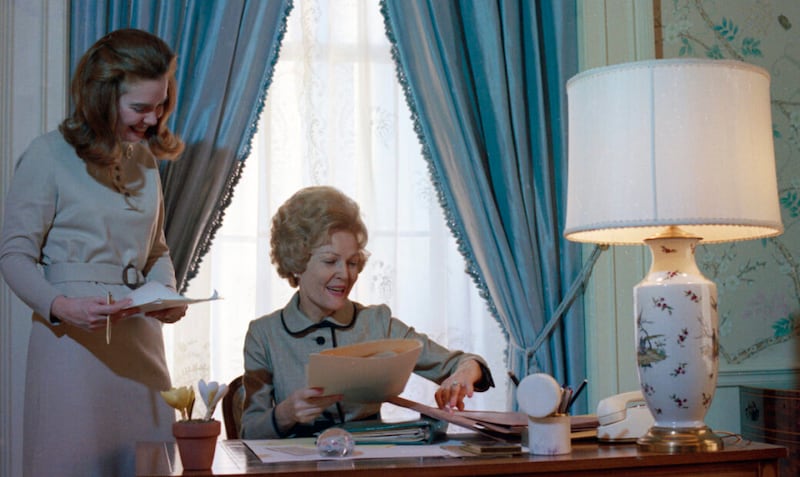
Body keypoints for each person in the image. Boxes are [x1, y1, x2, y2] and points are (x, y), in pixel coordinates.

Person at [0, 29, 188, 477]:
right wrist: (60, 307)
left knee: (145, 464)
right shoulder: (47, 155)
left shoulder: (144, 162)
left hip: (139, 339)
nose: (152, 117)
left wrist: (168, 294)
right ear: (102, 97)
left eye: (160, 104)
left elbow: (156, 250)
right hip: (73, 344)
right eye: (140, 107)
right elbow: (13, 254)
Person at [240, 186, 495, 439]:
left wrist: (462, 375)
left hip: (371, 465)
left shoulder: (377, 323)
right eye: (330, 261)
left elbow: (468, 363)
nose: (345, 274)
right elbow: (249, 431)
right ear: (295, 263)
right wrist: (285, 414)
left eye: (352, 262)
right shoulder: (264, 334)